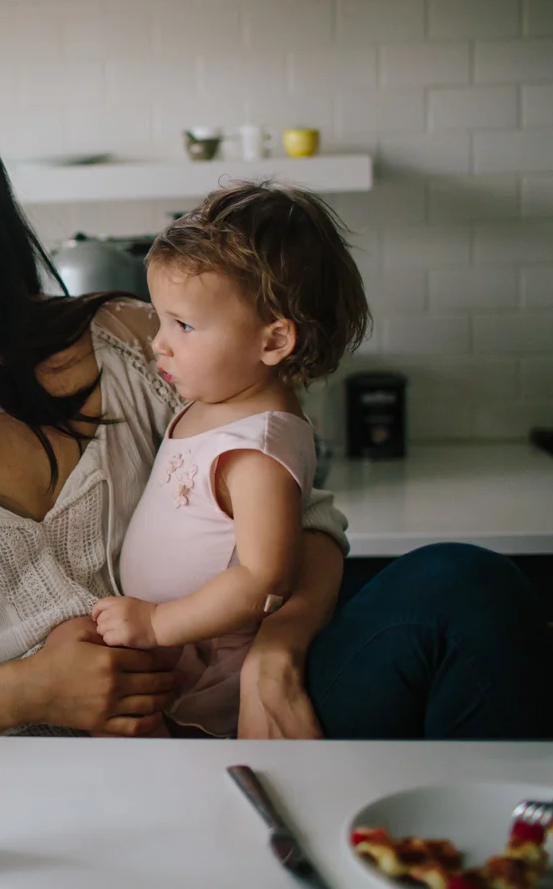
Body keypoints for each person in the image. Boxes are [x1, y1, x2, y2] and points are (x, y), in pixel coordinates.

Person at [0, 70, 553, 739]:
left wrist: (280, 646)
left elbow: (308, 522)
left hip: (227, 725)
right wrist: (28, 692)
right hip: (25, 791)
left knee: (466, 585)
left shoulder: (132, 345)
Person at [91, 183, 370, 739]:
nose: (160, 345)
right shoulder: (216, 401)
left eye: (185, 326)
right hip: (179, 659)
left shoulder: (257, 446)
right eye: (162, 320)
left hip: (218, 680)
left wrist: (156, 622)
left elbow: (264, 579)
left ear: (274, 341)